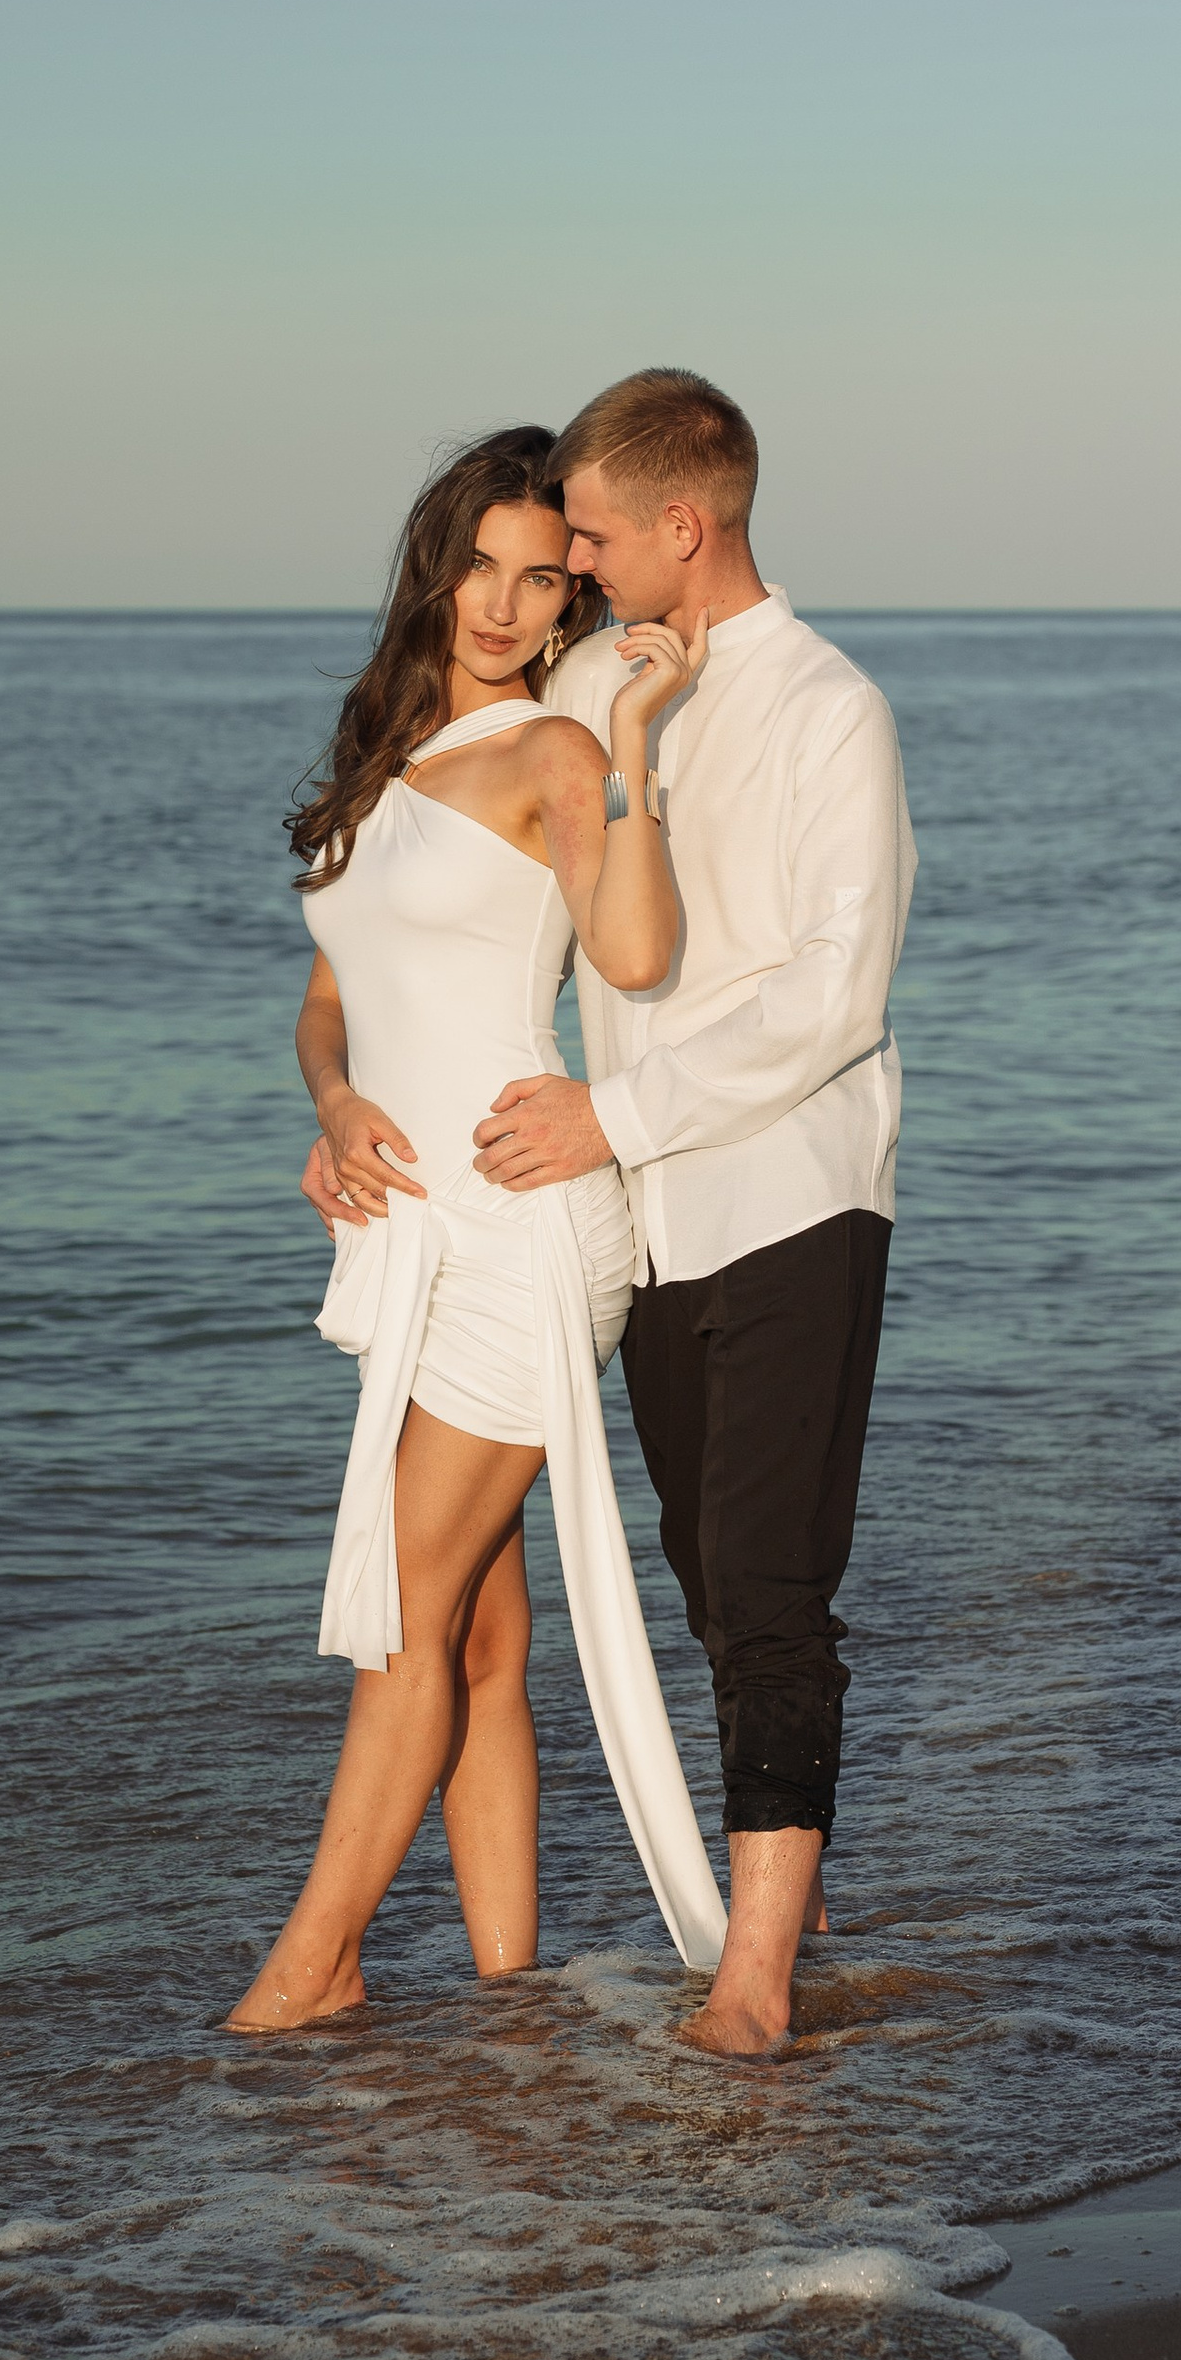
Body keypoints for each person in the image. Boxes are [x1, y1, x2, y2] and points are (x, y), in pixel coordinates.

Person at [312, 369, 917, 2060]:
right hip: (630, 1212)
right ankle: (710, 1923)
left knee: (772, 1585)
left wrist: (612, 1112)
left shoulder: (826, 709)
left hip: (794, 1192)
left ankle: (753, 1981)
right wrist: (356, 1096)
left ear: (681, 526)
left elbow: (834, 996)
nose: (563, 570)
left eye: (583, 536)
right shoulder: (584, 680)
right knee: (706, 1584)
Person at [229, 426, 727, 2033]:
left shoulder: (552, 757)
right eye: (483, 568)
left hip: (523, 1234)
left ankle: (311, 1968)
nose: (506, 607)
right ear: (435, 561)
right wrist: (332, 1108)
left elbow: (635, 957)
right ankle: (509, 1997)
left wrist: (633, 735)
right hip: (414, 1233)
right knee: (482, 1636)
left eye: (542, 579)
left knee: (402, 1615)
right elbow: (330, 999)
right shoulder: (382, 760)